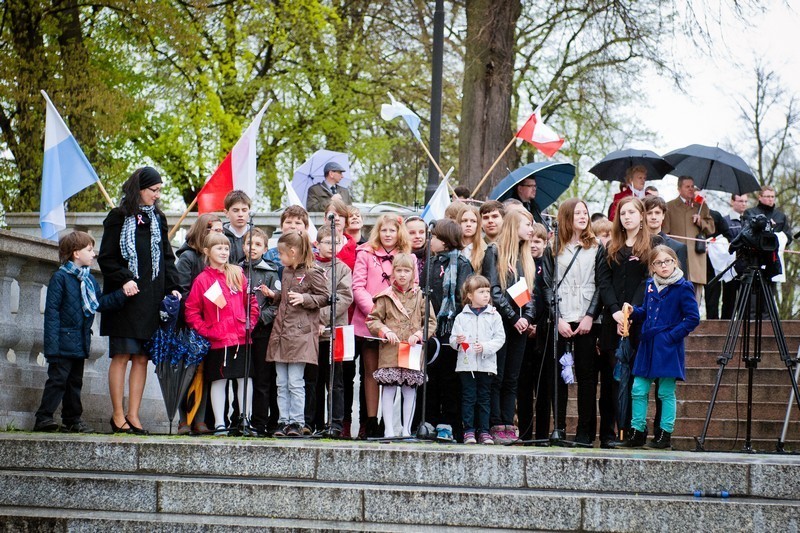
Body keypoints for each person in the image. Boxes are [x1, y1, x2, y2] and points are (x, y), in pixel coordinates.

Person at [99, 166, 180, 435]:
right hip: (126, 300)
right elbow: (106, 257)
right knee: (122, 355)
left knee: (142, 358)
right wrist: (124, 279)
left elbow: (167, 257)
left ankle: (134, 415)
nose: (157, 195)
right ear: (140, 189)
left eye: (159, 191)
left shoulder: (159, 219)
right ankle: (117, 415)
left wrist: (174, 287)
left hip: (151, 300)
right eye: (153, 190)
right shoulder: (118, 216)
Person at [34, 231, 128, 433]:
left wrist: (122, 294)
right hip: (61, 342)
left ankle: (72, 419)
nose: (94, 254)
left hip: (80, 341)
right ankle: (43, 417)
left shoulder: (89, 280)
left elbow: (100, 303)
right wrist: (52, 346)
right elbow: (52, 314)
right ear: (76, 253)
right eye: (89, 250)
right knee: (58, 380)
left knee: (75, 382)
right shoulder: (60, 278)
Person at [622, 245, 700, 448]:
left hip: (667, 346)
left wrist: (671, 336)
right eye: (658, 262)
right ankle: (637, 432)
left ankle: (665, 434)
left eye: (668, 261)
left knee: (665, 391)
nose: (664, 265)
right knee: (638, 389)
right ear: (652, 267)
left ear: (675, 262)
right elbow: (646, 312)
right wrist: (634, 311)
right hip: (648, 344)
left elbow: (692, 318)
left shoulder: (683, 287)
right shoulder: (650, 284)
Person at [541, 199, 605, 445]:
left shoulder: (596, 246)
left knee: (587, 378)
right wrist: (557, 319)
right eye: (577, 212)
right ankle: (558, 429)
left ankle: (585, 432)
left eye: (585, 212)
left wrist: (590, 315)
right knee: (557, 378)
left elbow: (601, 283)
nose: (582, 216)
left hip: (587, 318)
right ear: (567, 216)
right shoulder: (552, 246)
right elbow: (546, 285)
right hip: (561, 318)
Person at [597, 196, 659, 447]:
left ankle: (635, 432)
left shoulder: (652, 244)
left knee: (636, 380)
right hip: (613, 322)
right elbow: (603, 281)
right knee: (614, 379)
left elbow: (648, 280)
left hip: (639, 320)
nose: (627, 217)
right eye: (623, 213)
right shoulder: (611, 245)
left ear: (641, 215)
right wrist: (614, 310)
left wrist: (630, 312)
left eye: (632, 212)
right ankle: (610, 434)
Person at [184, 232, 260, 435]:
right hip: (217, 340)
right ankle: (220, 422)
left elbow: (252, 303)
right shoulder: (202, 280)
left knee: (245, 379)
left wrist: (249, 324)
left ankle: (245, 419)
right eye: (219, 248)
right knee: (219, 380)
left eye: (226, 248)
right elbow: (191, 310)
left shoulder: (237, 274)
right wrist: (206, 330)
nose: (224, 252)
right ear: (207, 252)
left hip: (241, 338)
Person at [352, 214, 414, 437]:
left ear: (399, 233)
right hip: (369, 321)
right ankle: (371, 420)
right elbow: (358, 286)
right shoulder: (365, 254)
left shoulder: (408, 257)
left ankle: (392, 424)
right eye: (384, 230)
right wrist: (376, 314)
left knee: (394, 373)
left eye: (392, 230)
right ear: (378, 232)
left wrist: (394, 317)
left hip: (398, 327)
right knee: (371, 372)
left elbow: (413, 289)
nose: (388, 234)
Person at [262, 231, 330, 436]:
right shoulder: (285, 271)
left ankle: (297, 421)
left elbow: (325, 297)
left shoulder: (312, 271)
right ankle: (283, 420)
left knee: (295, 381)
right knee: (281, 381)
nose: (279, 258)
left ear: (292, 252)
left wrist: (305, 299)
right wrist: (274, 295)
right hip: (281, 332)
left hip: (299, 335)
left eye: (281, 254)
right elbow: (285, 297)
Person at [366, 253, 437, 438]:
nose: (403, 275)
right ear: (393, 272)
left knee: (409, 389)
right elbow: (373, 320)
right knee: (388, 388)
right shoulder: (385, 296)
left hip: (412, 350)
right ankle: (388, 429)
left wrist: (418, 334)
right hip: (390, 349)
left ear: (413, 273)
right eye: (399, 270)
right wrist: (384, 331)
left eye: (407, 270)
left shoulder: (421, 295)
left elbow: (430, 321)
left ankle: (406, 429)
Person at [481, 209, 536, 444]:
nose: (532, 229)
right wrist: (514, 318)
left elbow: (527, 295)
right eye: (528, 224)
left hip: (519, 327)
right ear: (514, 225)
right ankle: (495, 423)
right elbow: (493, 290)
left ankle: (507, 423)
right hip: (500, 324)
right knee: (498, 375)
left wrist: (528, 318)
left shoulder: (523, 258)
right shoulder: (495, 251)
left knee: (512, 377)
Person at [174, 213, 223, 434]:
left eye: (222, 232)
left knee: (206, 373)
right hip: (190, 326)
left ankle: (200, 419)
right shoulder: (187, 258)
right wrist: (196, 318)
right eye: (216, 231)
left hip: (212, 326)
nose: (220, 235)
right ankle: (184, 419)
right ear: (204, 231)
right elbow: (182, 291)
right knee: (188, 372)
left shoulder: (218, 259)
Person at [427, 218, 473, 441]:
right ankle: (429, 420)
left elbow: (463, 298)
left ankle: (449, 423)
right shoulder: (431, 263)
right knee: (431, 378)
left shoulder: (463, 264)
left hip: (452, 331)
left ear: (445, 241)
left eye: (434, 237)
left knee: (450, 380)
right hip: (432, 330)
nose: (431, 240)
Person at [306, 224, 353, 437]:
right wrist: (315, 322)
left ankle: (335, 423)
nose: (332, 246)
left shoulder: (343, 269)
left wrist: (322, 318)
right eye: (327, 242)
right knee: (313, 379)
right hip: (313, 333)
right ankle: (312, 422)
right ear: (317, 244)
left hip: (337, 331)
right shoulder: (309, 267)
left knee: (336, 382)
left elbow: (344, 297)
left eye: (336, 242)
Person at [450, 275, 505, 445]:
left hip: (486, 364)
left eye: (487, 291)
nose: (486, 295)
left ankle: (484, 430)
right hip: (467, 366)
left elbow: (500, 338)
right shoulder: (461, 317)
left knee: (484, 398)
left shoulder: (494, 316)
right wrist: (457, 342)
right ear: (470, 295)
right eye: (481, 292)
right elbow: (453, 340)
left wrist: (486, 347)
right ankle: (468, 430)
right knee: (468, 397)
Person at [240, 227, 280, 437]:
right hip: (239, 332)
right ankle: (240, 419)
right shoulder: (236, 270)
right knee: (241, 377)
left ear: (265, 249)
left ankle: (260, 422)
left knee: (263, 379)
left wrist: (260, 319)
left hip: (263, 332)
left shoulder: (271, 273)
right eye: (249, 243)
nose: (252, 248)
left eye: (257, 244)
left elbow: (277, 304)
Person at [516, 223, 548, 442]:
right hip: (522, 330)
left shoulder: (548, 266)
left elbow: (549, 298)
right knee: (523, 388)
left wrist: (540, 325)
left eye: (539, 241)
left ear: (545, 244)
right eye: (531, 241)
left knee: (543, 389)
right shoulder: (520, 265)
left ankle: (544, 434)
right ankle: (526, 434)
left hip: (544, 331)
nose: (534, 245)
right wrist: (526, 322)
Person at [663, 176, 715, 302]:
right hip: (677, 259)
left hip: (697, 259)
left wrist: (701, 221)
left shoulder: (701, 207)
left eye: (692, 186)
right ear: (679, 189)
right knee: (676, 295)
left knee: (695, 297)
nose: (691, 189)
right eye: (687, 186)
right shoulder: (669, 206)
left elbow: (711, 229)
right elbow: (665, 233)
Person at [643, 196, 688, 279]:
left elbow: (682, 282)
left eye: (657, 213)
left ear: (663, 215)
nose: (653, 217)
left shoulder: (678, 247)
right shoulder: (635, 245)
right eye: (649, 213)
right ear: (643, 216)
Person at [721, 194, 749, 319]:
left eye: (745, 201)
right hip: (730, 267)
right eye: (740, 201)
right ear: (732, 201)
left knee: (745, 302)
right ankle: (725, 331)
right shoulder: (725, 220)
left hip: (746, 266)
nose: (743, 203)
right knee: (728, 301)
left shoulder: (749, 220)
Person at [324, 198, 357, 270]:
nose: (337, 218)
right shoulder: (315, 247)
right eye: (333, 215)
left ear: (346, 220)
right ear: (325, 219)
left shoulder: (356, 249)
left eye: (341, 215)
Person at [222, 190, 252, 265]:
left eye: (244, 210)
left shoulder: (256, 236)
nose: (240, 214)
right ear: (226, 213)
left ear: (249, 212)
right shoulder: (220, 236)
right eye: (235, 210)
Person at [459, 205, 486, 275]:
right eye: (464, 221)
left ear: (478, 224)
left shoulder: (485, 250)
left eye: (473, 221)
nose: (468, 224)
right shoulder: (451, 249)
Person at [406, 215, 428, 281]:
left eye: (421, 232)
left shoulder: (433, 256)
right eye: (412, 233)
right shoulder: (398, 256)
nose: (417, 236)